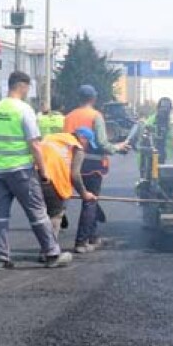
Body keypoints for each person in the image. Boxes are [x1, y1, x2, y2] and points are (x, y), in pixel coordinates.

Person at [0, 71, 69, 269]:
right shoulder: (24, 110)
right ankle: (51, 254)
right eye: (27, 87)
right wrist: (43, 171)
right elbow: (35, 144)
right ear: (22, 86)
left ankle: (1, 258)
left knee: (0, 217)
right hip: (21, 171)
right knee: (38, 213)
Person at [64, 85, 128, 253]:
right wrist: (118, 147)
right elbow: (101, 143)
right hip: (92, 165)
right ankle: (81, 241)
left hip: (73, 164)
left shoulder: (69, 117)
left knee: (89, 199)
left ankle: (93, 237)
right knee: (90, 201)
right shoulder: (95, 116)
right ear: (93, 98)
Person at [37, 127, 99, 243]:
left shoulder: (53, 137)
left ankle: (47, 246)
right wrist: (84, 193)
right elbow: (75, 175)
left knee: (41, 214)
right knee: (56, 215)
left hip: (33, 177)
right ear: (82, 138)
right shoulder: (76, 146)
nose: (86, 147)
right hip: (52, 181)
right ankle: (50, 251)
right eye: (87, 143)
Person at [129, 97, 173, 165]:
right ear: (158, 108)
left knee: (159, 172)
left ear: (170, 109)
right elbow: (141, 134)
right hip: (148, 154)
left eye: (167, 108)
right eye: (163, 107)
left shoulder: (169, 124)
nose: (164, 110)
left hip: (161, 155)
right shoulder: (150, 121)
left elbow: (170, 140)